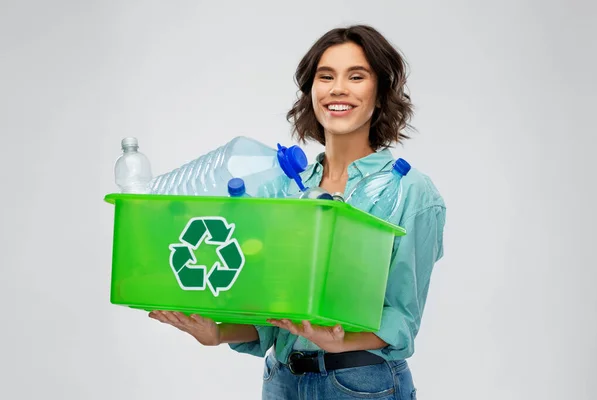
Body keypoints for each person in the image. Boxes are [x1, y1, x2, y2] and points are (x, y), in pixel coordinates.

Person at [149, 24, 446, 400]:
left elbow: (402, 318)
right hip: (281, 380)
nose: (338, 89)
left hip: (358, 384)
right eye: (326, 77)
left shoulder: (410, 192)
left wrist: (339, 341)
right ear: (311, 91)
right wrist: (218, 332)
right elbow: (272, 314)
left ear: (381, 90)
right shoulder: (285, 186)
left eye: (356, 76)